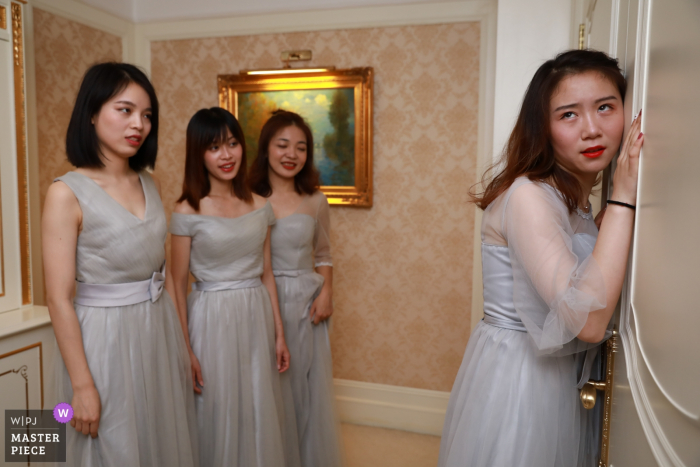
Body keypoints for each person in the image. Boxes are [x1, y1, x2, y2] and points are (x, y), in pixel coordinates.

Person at [438, 49, 643, 467]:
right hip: (522, 378)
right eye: (568, 115)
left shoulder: (576, 200)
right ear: (544, 128)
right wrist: (622, 200)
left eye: (605, 107)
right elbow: (585, 321)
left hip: (560, 376)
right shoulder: (530, 195)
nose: (591, 129)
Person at [43, 62, 199, 466]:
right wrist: (82, 385)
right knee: (109, 445)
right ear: (92, 113)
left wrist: (181, 347)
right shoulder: (66, 192)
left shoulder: (151, 181)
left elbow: (160, 268)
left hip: (156, 327)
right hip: (104, 337)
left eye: (147, 115)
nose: (139, 124)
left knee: (157, 439)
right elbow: (58, 298)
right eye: (125, 110)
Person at [168, 107, 301, 467]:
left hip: (255, 313)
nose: (226, 155)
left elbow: (267, 273)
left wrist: (279, 333)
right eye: (214, 147)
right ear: (198, 154)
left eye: (232, 144)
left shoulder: (260, 206)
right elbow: (177, 285)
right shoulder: (187, 209)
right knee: (216, 406)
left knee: (257, 406)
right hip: (210, 317)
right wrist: (185, 350)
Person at [248, 110, 345, 467]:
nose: (291, 154)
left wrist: (327, 294)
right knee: (265, 388)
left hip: (306, 305)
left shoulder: (316, 200)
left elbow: (324, 253)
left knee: (302, 391)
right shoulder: (246, 197)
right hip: (260, 301)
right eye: (283, 145)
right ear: (266, 149)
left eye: (301, 147)